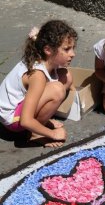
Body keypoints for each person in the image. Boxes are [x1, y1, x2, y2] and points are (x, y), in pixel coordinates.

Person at [0, 19, 78, 147]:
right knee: (57, 90)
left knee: (66, 77)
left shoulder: (46, 61)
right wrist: (52, 134)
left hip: (20, 109)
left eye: (73, 48)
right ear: (48, 50)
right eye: (67, 49)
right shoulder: (38, 75)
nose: (73, 54)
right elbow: (25, 120)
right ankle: (35, 134)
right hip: (12, 119)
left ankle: (42, 120)